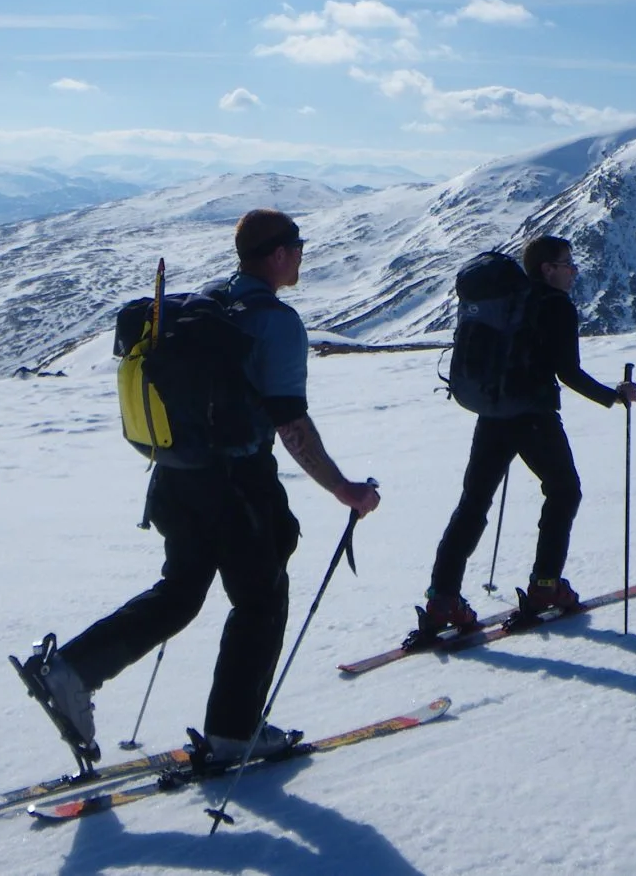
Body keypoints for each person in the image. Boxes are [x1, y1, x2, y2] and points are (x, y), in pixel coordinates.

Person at [31, 209, 380, 766]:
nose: (301, 255)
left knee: (182, 591)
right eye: (297, 246)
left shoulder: (209, 300)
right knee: (261, 600)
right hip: (237, 484)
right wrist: (344, 489)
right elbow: (290, 423)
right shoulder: (277, 322)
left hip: (176, 477)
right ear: (277, 253)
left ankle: (72, 669)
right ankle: (233, 734)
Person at [420, 235, 636, 635]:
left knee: (473, 501)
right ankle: (545, 587)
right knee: (564, 490)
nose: (574, 271)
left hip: (492, 413)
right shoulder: (554, 305)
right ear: (547, 269)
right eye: (567, 263)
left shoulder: (508, 306)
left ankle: (442, 599)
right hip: (533, 415)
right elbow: (567, 372)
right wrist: (614, 397)